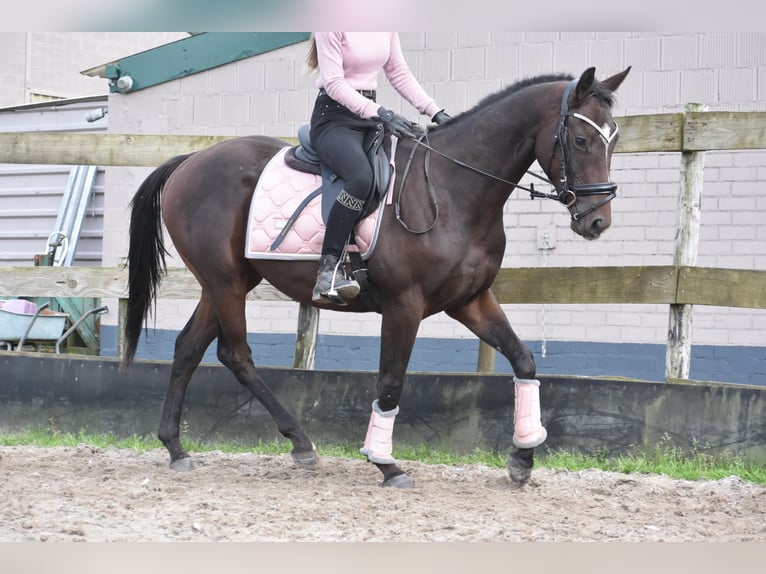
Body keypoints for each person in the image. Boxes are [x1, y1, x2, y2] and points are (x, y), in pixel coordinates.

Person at [305, 32, 451, 304]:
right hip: (334, 119)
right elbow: (335, 83)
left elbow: (398, 72)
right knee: (360, 177)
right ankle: (327, 269)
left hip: (368, 118)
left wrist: (435, 112)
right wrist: (381, 112)